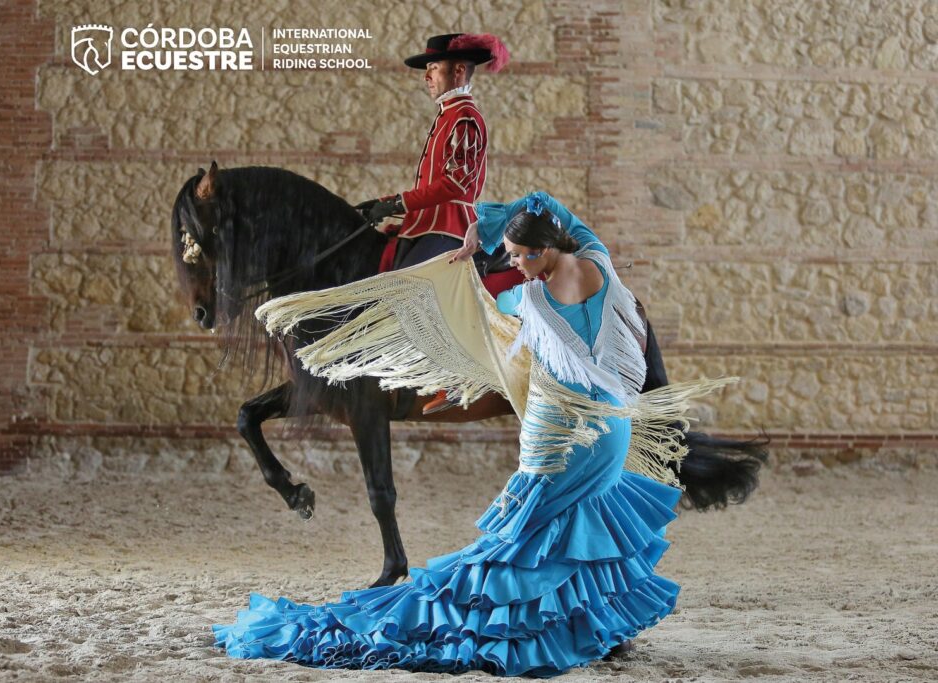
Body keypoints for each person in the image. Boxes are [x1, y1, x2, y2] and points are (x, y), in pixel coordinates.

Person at [214, 191, 734, 675]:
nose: (509, 264)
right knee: (581, 522)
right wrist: (489, 229)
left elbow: (480, 333)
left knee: (518, 543)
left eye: (516, 256)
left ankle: (517, 627)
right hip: (611, 431)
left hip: (560, 437)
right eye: (505, 254)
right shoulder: (598, 259)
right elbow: (545, 205)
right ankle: (592, 627)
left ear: (541, 252)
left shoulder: (534, 303)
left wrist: (474, 234)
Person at [356, 33, 508, 272]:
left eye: (434, 68)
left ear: (457, 71)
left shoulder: (464, 116)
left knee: (404, 295)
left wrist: (399, 204)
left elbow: (456, 184)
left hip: (449, 228)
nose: (426, 77)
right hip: (424, 224)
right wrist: (387, 202)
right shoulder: (448, 114)